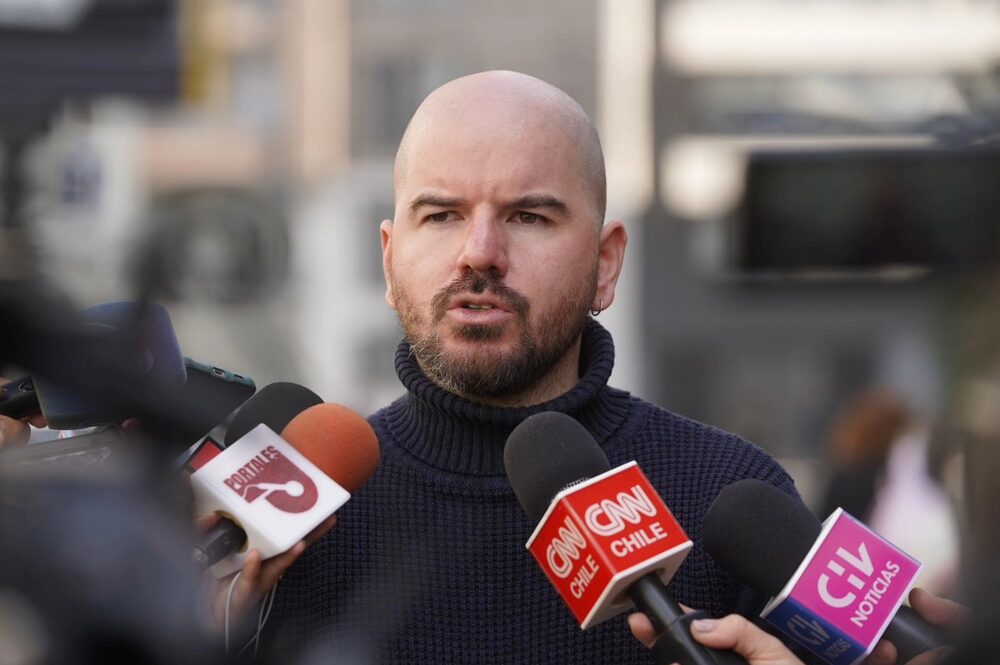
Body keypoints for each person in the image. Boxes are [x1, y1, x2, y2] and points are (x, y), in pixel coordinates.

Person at [249, 70, 801, 664]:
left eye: (529, 217)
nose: (480, 252)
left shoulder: (734, 502)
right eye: (441, 215)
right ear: (388, 261)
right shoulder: (288, 528)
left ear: (606, 263)